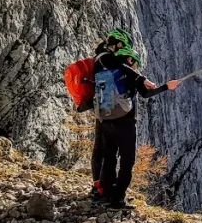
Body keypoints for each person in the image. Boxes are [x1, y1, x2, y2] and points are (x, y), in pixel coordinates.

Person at [94, 46, 190, 209]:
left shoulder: (106, 70)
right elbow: (146, 93)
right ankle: (118, 199)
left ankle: (107, 195)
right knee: (127, 161)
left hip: (106, 121)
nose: (137, 67)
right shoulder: (131, 75)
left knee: (109, 158)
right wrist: (167, 86)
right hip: (126, 124)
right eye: (136, 62)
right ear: (130, 60)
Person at [76, 28, 134, 203]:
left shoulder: (100, 57)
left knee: (103, 150)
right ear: (118, 43)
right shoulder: (106, 57)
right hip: (107, 111)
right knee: (103, 151)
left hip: (102, 108)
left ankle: (101, 188)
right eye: (122, 46)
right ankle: (101, 189)